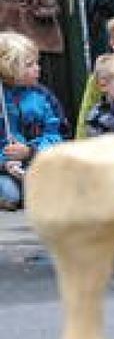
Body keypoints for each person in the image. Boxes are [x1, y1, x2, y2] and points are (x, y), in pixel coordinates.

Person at [0, 31, 63, 210]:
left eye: (37, 63)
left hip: (38, 166)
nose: (38, 68)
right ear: (8, 68)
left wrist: (30, 151)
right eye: (29, 65)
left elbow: (57, 135)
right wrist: (4, 163)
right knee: (11, 194)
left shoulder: (43, 97)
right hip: (5, 172)